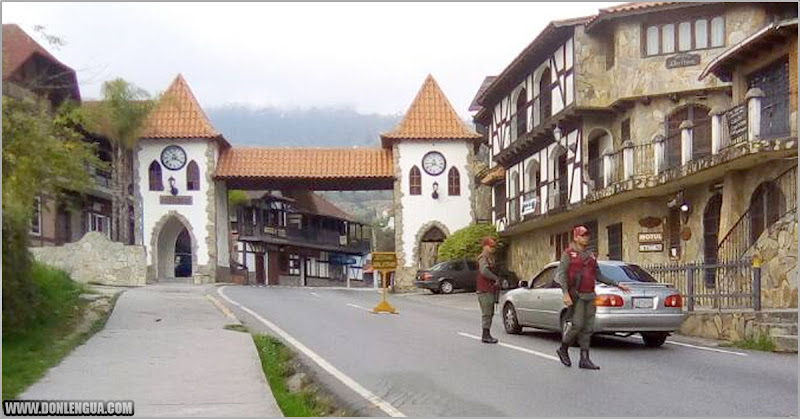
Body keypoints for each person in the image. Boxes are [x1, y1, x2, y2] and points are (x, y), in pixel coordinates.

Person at [556, 225, 630, 369]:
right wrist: (565, 293)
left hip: (590, 295)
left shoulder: (590, 255)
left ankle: (585, 358)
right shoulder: (568, 254)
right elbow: (562, 274)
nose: (586, 237)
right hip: (576, 295)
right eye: (583, 235)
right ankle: (563, 348)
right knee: (577, 324)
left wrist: (616, 284)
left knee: (588, 327)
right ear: (576, 237)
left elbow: (598, 275)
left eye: (587, 235)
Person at [476, 236, 503, 344]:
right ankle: (485, 335)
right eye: (491, 246)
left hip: (490, 289)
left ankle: (487, 334)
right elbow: (484, 271)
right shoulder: (483, 258)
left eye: (494, 247)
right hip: (484, 289)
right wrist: (495, 278)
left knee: (490, 312)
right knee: (487, 313)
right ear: (485, 246)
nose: (493, 248)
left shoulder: (490, 257)